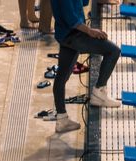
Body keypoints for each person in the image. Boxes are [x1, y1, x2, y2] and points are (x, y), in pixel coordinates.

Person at [49, 0, 122, 134]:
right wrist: (90, 31)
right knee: (113, 51)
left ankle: (62, 119)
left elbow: (82, 2)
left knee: (62, 76)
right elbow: (71, 19)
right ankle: (99, 92)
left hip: (66, 34)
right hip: (73, 34)